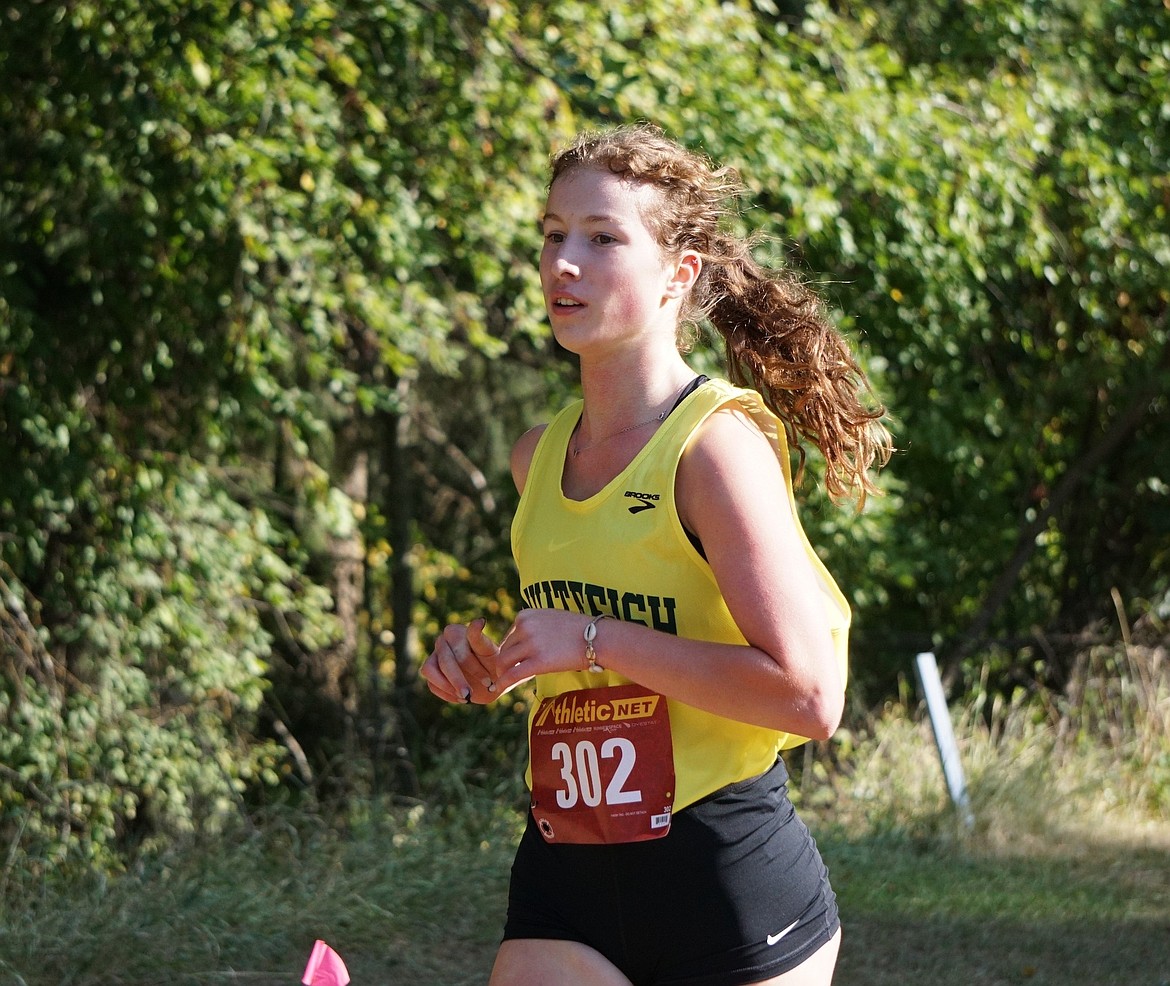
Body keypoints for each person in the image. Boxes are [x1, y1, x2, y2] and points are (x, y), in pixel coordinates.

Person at [421, 123, 892, 986]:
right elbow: (569, 645)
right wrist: (489, 660)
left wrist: (592, 639)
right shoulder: (537, 456)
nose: (565, 261)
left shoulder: (713, 451)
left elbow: (811, 695)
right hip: (564, 875)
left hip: (721, 886)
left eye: (603, 238)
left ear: (679, 276)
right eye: (553, 234)